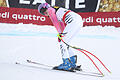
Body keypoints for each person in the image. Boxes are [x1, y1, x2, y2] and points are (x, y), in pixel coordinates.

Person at [38, 3, 83, 71]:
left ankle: (66, 64)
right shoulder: (55, 10)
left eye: (44, 12)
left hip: (73, 21)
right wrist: (61, 34)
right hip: (78, 20)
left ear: (45, 9)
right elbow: (61, 24)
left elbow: (55, 23)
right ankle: (72, 62)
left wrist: (60, 35)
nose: (45, 14)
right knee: (66, 42)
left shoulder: (50, 10)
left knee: (63, 43)